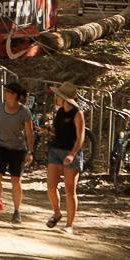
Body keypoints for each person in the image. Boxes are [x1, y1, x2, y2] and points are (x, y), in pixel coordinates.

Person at [0, 80, 35, 223]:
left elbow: (29, 133)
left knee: (16, 180)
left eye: (8, 91)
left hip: (17, 149)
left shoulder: (24, 112)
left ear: (15, 95)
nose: (5, 93)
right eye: (6, 91)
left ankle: (17, 211)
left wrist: (30, 152)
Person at [46, 80, 86, 235]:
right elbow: (59, 132)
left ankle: (69, 225)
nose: (56, 98)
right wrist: (47, 131)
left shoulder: (77, 113)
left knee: (70, 190)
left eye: (58, 95)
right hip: (56, 151)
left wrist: (72, 154)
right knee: (51, 186)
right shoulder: (60, 112)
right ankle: (57, 213)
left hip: (71, 152)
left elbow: (80, 137)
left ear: (64, 98)